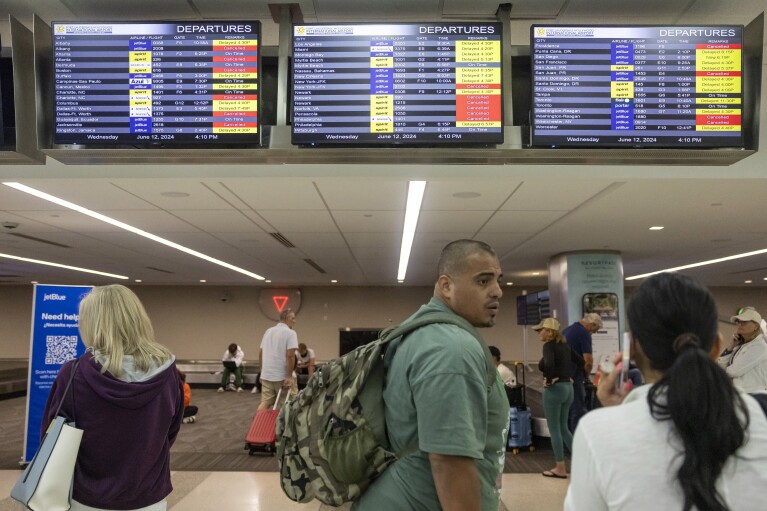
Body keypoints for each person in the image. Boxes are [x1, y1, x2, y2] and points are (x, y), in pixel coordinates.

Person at [565, 273, 767, 511]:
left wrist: (616, 415)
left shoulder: (596, 431)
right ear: (715, 347)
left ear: (633, 350)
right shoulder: (759, 415)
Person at [354, 239, 508, 511]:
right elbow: (449, 463)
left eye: (498, 280)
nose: (497, 291)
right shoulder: (452, 349)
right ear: (446, 286)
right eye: (483, 281)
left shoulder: (420, 331)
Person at [42, 284, 184, 511]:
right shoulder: (169, 375)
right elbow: (170, 431)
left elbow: (52, 436)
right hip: (149, 496)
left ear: (91, 324)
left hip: (87, 496)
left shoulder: (73, 374)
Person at [535, 317, 582, 479]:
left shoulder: (548, 346)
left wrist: (548, 379)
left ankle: (560, 468)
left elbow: (548, 364)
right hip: (568, 389)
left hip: (554, 391)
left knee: (554, 429)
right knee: (564, 428)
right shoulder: (565, 346)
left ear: (549, 332)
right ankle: (583, 465)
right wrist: (569, 376)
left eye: (541, 330)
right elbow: (581, 361)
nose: (538, 333)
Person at [562, 312, 602, 432]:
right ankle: (577, 442)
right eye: (595, 329)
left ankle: (567, 444)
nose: (594, 332)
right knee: (578, 409)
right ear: (592, 324)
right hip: (574, 375)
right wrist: (586, 376)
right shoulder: (584, 333)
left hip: (562, 376)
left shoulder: (567, 330)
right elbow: (588, 361)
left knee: (567, 411)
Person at [716, 307, 767, 392]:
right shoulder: (740, 346)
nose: (739, 325)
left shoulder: (759, 346)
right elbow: (720, 365)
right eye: (738, 322)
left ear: (756, 326)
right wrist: (731, 346)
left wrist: (720, 371)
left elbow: (734, 371)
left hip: (754, 396)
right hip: (741, 395)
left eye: (744, 322)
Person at [257, 309, 299, 409]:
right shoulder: (291, 333)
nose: (295, 321)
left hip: (267, 375)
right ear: (286, 319)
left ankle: (258, 423)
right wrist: (289, 377)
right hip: (282, 376)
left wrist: (262, 372)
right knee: (290, 404)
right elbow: (290, 355)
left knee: (266, 402)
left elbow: (260, 353)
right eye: (293, 318)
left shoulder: (268, 331)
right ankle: (285, 424)